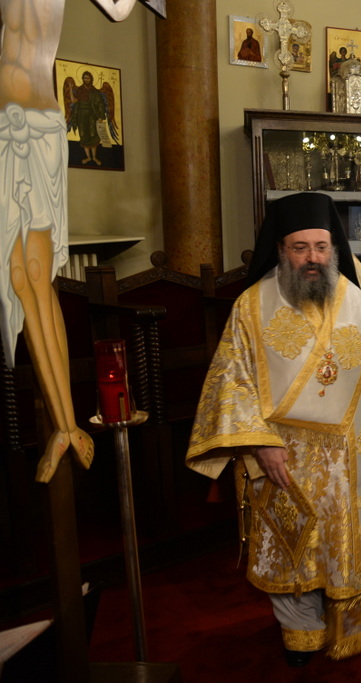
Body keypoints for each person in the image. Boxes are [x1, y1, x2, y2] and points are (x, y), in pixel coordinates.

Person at [185, 193, 361, 667]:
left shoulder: (354, 297)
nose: (313, 258)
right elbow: (232, 380)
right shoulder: (252, 307)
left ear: (334, 248)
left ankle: (355, 623)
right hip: (283, 455)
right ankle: (301, 629)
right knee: (293, 546)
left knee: (348, 541)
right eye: (300, 247)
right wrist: (259, 444)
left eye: (322, 247)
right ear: (280, 249)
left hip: (351, 455)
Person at [0, 0, 94, 483]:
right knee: (21, 280)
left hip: (33, 123)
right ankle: (65, 427)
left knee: (37, 275)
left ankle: (69, 424)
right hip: (7, 127)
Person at [63, 70, 117, 166]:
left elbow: (100, 104)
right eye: (84, 78)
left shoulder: (95, 92)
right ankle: (88, 157)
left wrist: (101, 116)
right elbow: (73, 101)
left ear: (91, 79)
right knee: (83, 135)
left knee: (93, 135)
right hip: (81, 115)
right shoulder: (79, 90)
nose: (86, 80)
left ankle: (94, 157)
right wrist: (70, 88)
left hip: (92, 115)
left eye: (87, 78)